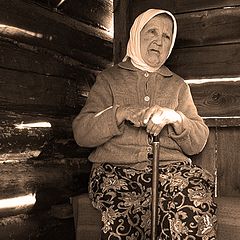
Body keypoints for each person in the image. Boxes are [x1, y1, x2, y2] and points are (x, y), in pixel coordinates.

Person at [72, 9, 217, 240]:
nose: (159, 42)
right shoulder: (109, 79)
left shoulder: (178, 86)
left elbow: (198, 140)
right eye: (152, 32)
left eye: (167, 36)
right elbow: (82, 133)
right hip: (115, 172)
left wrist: (176, 117)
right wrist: (120, 113)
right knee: (124, 215)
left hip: (171, 172)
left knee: (191, 204)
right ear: (136, 34)